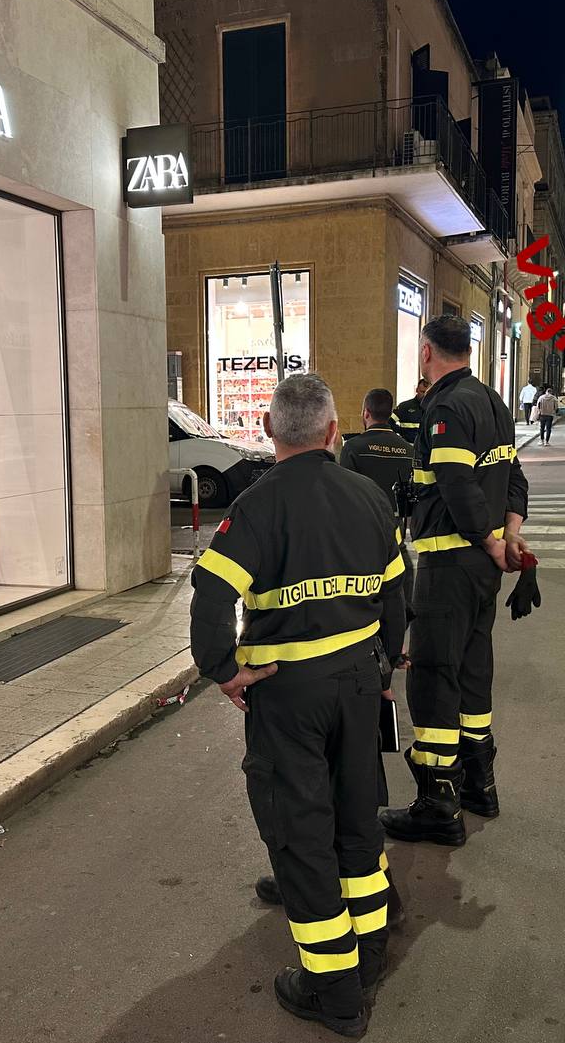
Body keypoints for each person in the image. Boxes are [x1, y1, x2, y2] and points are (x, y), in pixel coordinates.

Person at [190, 374, 405, 1037]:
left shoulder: (257, 505)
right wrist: (387, 662)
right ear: (334, 432)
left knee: (300, 833)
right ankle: (369, 949)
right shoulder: (369, 495)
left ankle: (334, 989)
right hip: (360, 684)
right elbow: (398, 591)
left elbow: (211, 594)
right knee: (357, 817)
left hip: (288, 694)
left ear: (267, 430)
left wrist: (223, 670)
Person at [379, 315, 533, 849]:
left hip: (449, 564)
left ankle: (438, 805)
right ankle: (479, 785)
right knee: (472, 670)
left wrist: (490, 542)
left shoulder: (445, 407)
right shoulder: (492, 401)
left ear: (426, 352)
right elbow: (514, 478)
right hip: (483, 571)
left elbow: (456, 484)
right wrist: (509, 537)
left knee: (433, 676)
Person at [338, 388, 415, 610]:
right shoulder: (408, 450)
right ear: (390, 413)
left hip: (361, 538)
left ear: (366, 413)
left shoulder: (353, 448)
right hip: (394, 537)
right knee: (400, 594)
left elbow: (346, 497)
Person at [391, 378, 428, 444]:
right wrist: (402, 431)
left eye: (427, 392)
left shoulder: (433, 407)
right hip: (407, 445)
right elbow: (390, 422)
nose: (424, 395)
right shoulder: (404, 406)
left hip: (426, 447)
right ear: (417, 390)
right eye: (422, 392)